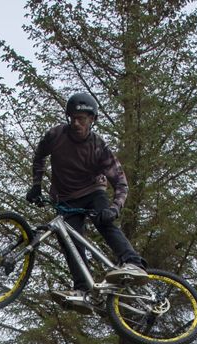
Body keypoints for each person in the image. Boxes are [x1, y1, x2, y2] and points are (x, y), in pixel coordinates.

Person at [27, 92, 148, 313]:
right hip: (65, 198)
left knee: (105, 222)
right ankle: (82, 291)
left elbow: (121, 183)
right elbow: (39, 156)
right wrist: (36, 185)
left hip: (93, 192)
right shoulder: (55, 135)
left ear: (92, 120)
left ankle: (133, 263)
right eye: (73, 118)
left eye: (82, 119)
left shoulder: (98, 147)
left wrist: (114, 209)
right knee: (70, 242)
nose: (76, 123)